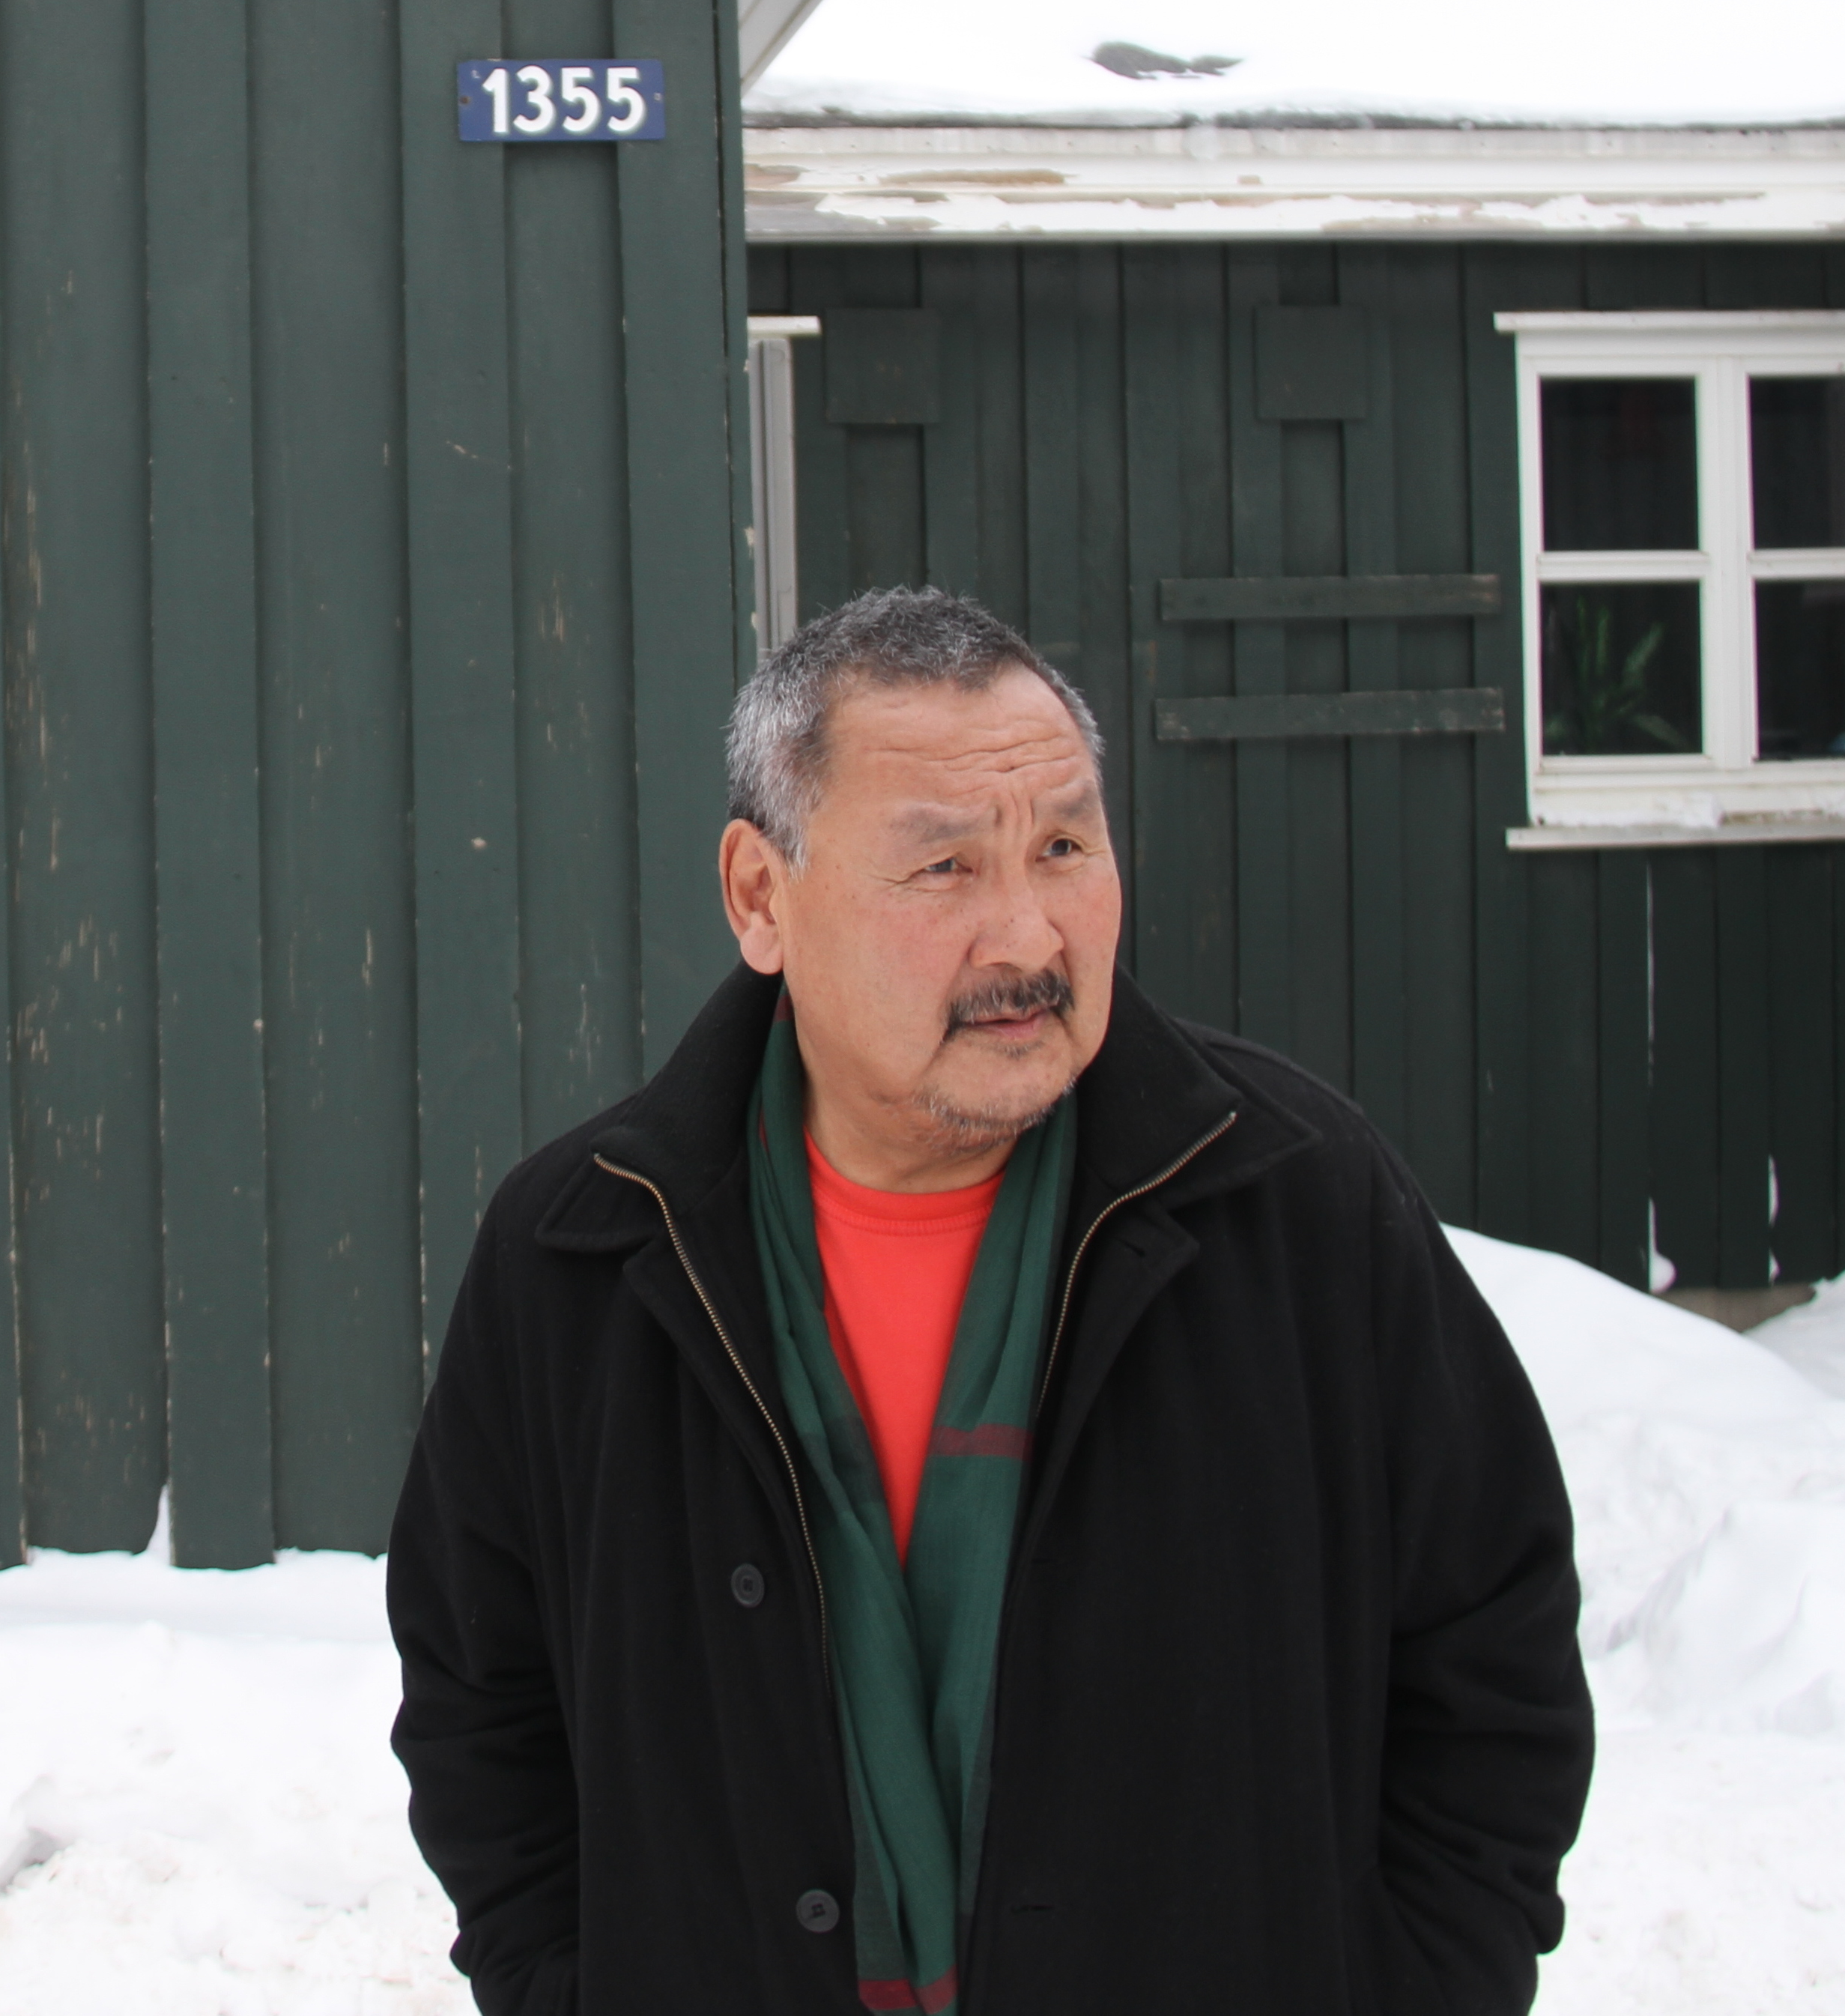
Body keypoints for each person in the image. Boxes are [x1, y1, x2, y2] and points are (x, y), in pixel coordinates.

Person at [387, 587, 1592, 2015]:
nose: (1028, 936)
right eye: (944, 868)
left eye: (1066, 845)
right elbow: (484, 1708)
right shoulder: (583, 1254)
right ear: (761, 897)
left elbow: (1491, 1657)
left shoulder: (1293, 1203)